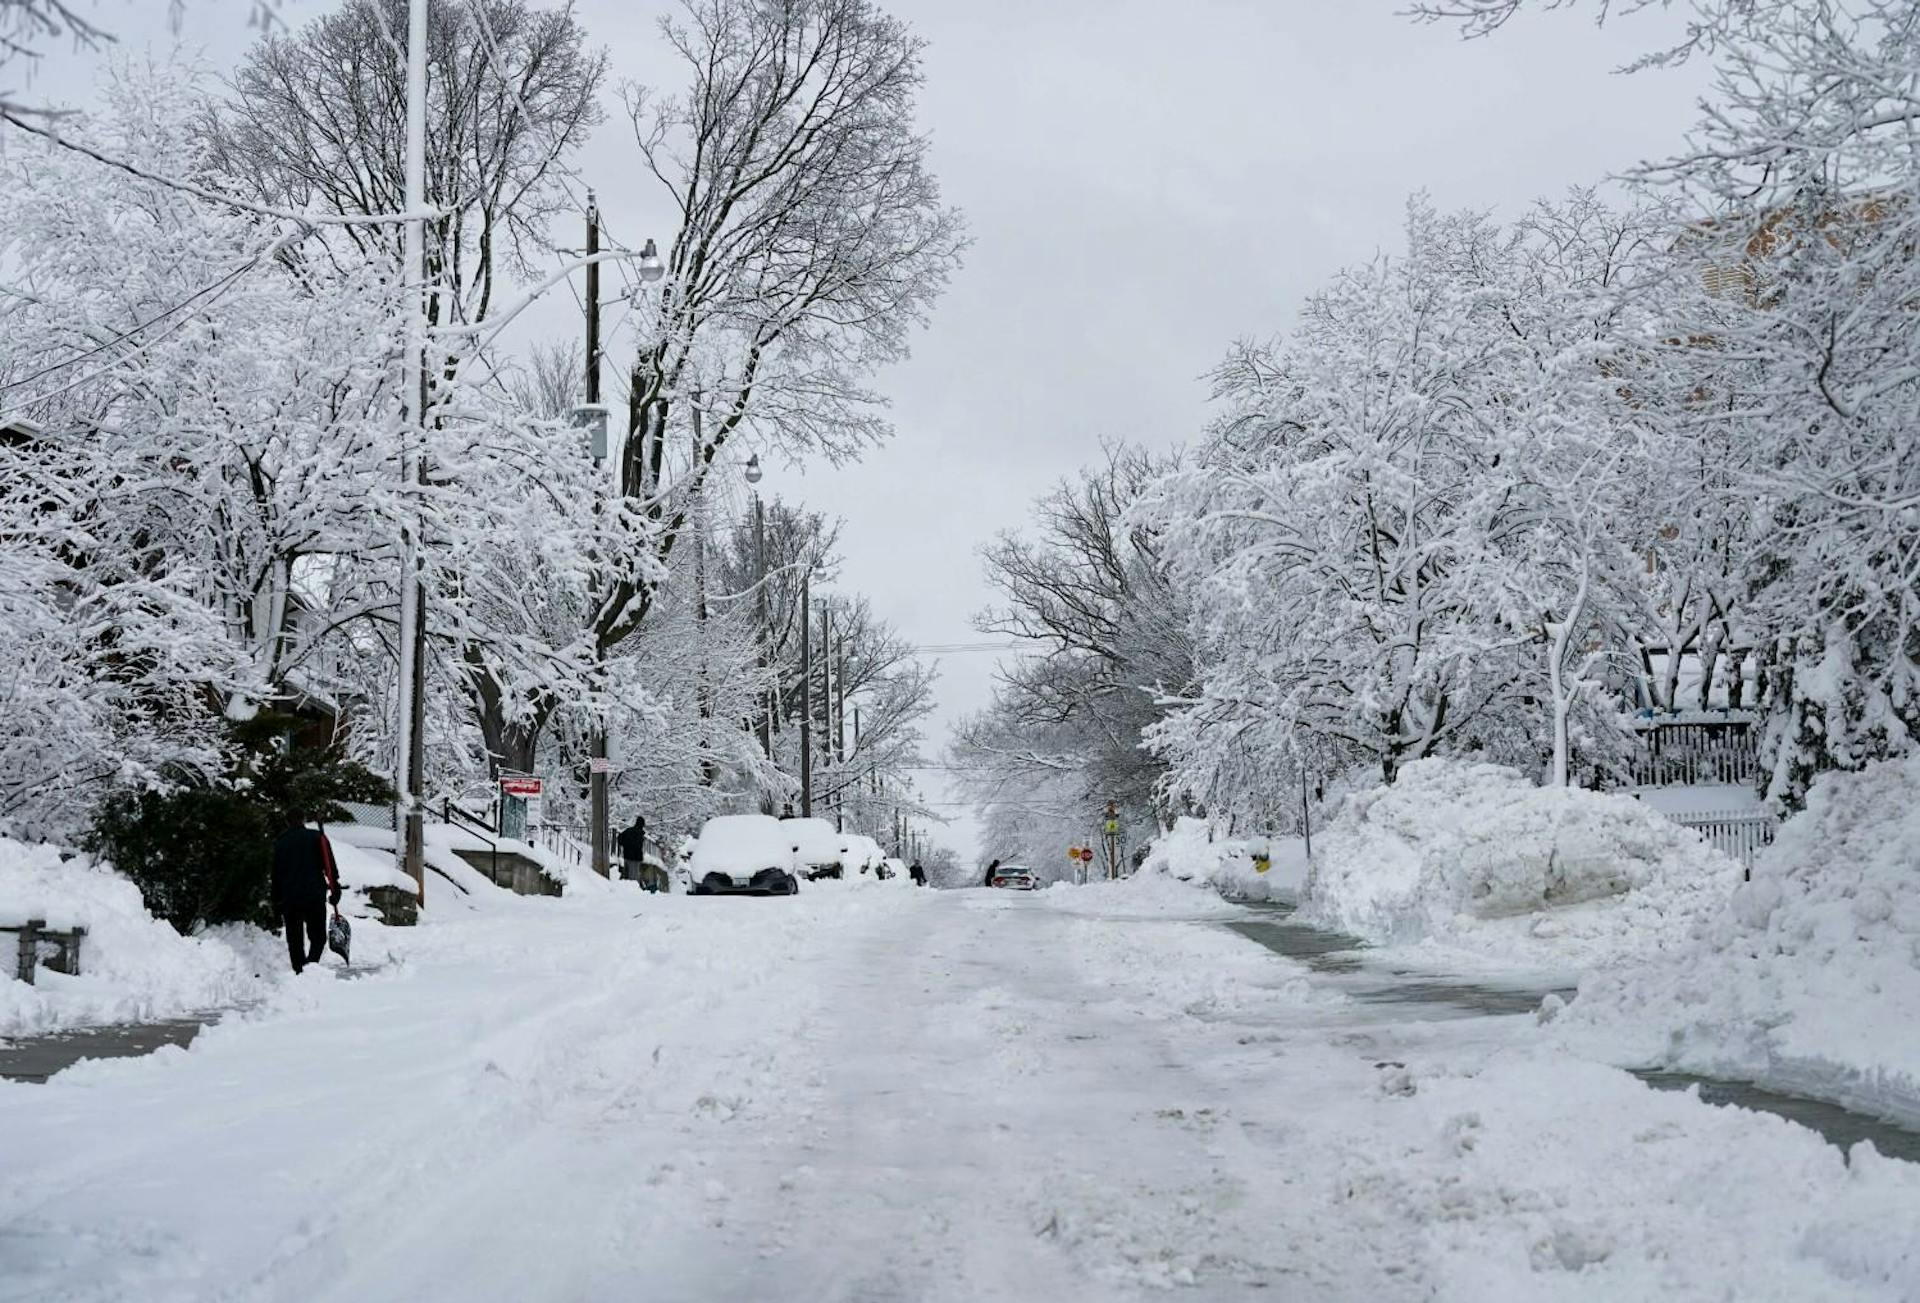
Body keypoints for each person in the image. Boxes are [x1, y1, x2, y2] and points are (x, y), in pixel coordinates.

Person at [271, 815, 341, 974]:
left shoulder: (281, 842)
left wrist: (275, 900)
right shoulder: (317, 837)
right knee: (318, 936)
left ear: (287, 822)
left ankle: (299, 969)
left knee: (294, 936)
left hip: (290, 895)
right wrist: (335, 888)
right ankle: (311, 964)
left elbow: (276, 873)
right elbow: (329, 865)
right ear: (303, 820)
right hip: (314, 893)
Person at [616, 814, 653, 889]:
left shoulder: (628, 830)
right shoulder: (640, 833)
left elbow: (619, 838)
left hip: (626, 855)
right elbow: (638, 846)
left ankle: (621, 888)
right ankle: (632, 892)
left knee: (626, 873)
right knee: (633, 876)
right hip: (636, 857)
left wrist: (625, 845)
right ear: (642, 824)